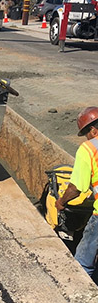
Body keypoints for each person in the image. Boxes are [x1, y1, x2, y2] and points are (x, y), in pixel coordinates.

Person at [56, 107, 98, 277]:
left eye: (86, 134)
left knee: (83, 261)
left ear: (93, 130)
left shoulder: (88, 148)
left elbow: (76, 188)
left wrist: (61, 202)